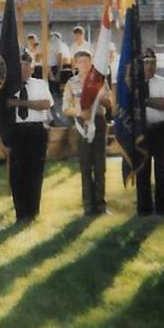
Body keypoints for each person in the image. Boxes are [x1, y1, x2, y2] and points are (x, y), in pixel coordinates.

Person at [62, 48, 112, 216]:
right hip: (81, 124)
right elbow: (65, 108)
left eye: (87, 61)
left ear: (91, 63)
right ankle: (88, 206)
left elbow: (109, 103)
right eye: (80, 61)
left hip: (98, 122)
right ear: (75, 64)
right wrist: (78, 112)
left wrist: (100, 96)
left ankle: (101, 205)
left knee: (99, 165)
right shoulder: (71, 83)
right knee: (85, 165)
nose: (84, 64)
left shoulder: (99, 81)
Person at [7, 51, 54, 221]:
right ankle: (21, 213)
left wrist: (21, 103)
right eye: (20, 64)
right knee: (17, 173)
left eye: (28, 64)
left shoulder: (40, 84)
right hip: (18, 132)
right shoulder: (10, 86)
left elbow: (46, 104)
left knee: (35, 172)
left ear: (33, 67)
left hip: (36, 131)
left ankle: (33, 212)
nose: (24, 68)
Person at [136, 48, 164, 216]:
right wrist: (153, 102)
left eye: (152, 63)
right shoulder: (135, 84)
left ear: (156, 64)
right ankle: (144, 209)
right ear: (141, 64)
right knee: (142, 171)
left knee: (162, 170)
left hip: (161, 130)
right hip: (142, 131)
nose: (149, 66)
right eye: (145, 63)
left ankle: (163, 208)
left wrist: (145, 101)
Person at [47, 30, 71, 95]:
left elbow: (60, 58)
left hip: (57, 68)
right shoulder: (59, 45)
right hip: (53, 68)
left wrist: (58, 72)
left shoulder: (58, 45)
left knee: (55, 89)